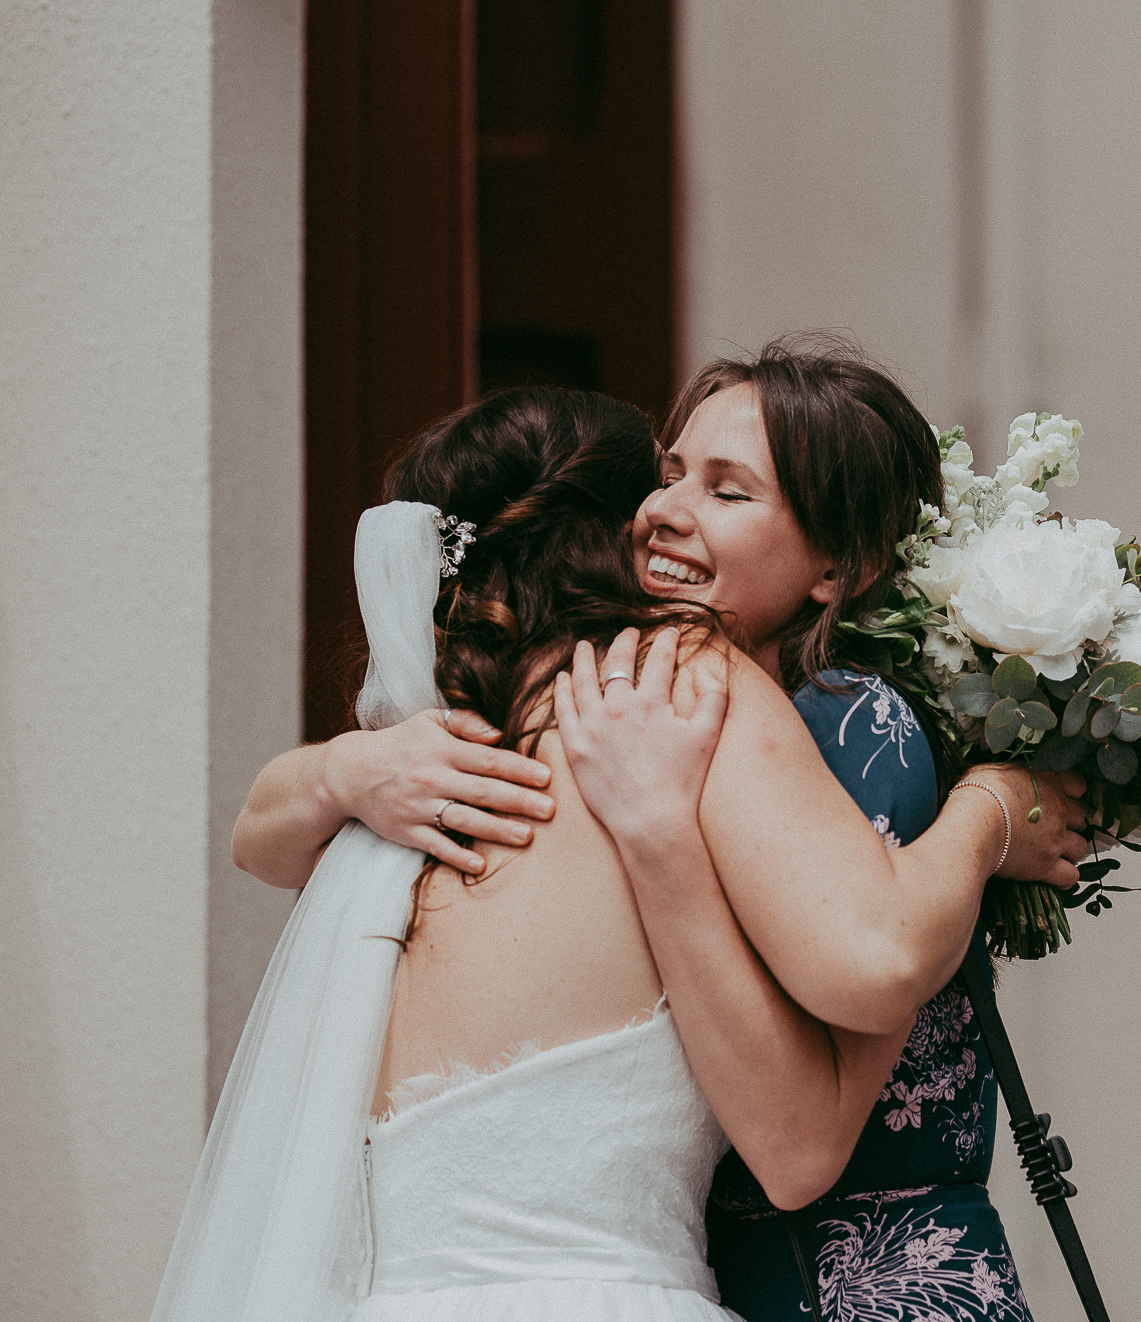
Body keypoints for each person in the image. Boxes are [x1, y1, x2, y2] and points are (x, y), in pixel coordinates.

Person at [231, 343, 1072, 1319]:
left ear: (841, 566)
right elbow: (868, 980)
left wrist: (339, 768)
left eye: (728, 489)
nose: (666, 509)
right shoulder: (666, 685)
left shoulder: (494, 717)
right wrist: (995, 806)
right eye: (667, 472)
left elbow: (257, 839)